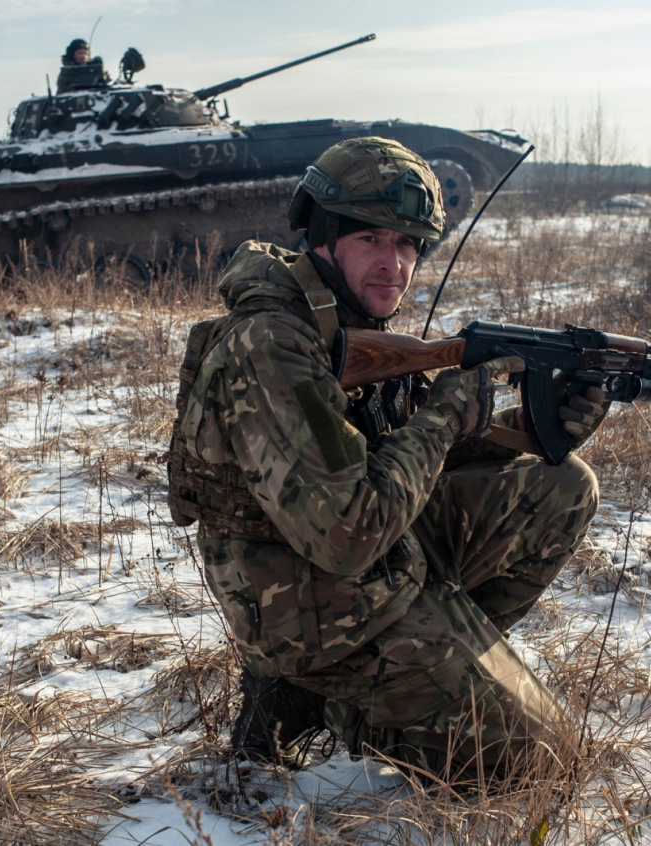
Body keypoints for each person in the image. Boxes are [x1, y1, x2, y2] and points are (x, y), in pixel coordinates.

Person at [168, 136, 607, 784]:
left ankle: (430, 664)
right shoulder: (271, 343)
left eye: (407, 244)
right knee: (543, 762)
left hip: (376, 564)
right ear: (323, 236)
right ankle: (324, 700)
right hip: (304, 608)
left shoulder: (343, 322)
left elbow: (408, 451)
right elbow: (347, 534)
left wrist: (527, 427)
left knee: (563, 486)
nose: (393, 263)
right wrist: (443, 415)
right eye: (371, 238)